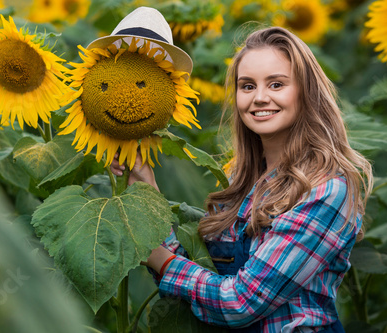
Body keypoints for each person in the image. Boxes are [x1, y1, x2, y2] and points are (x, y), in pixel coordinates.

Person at [110, 26, 373, 332]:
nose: (260, 98)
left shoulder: (325, 189)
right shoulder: (242, 178)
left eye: (276, 84)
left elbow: (240, 303)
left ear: (306, 91)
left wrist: (157, 258)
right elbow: (202, 278)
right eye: (247, 86)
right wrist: (147, 189)